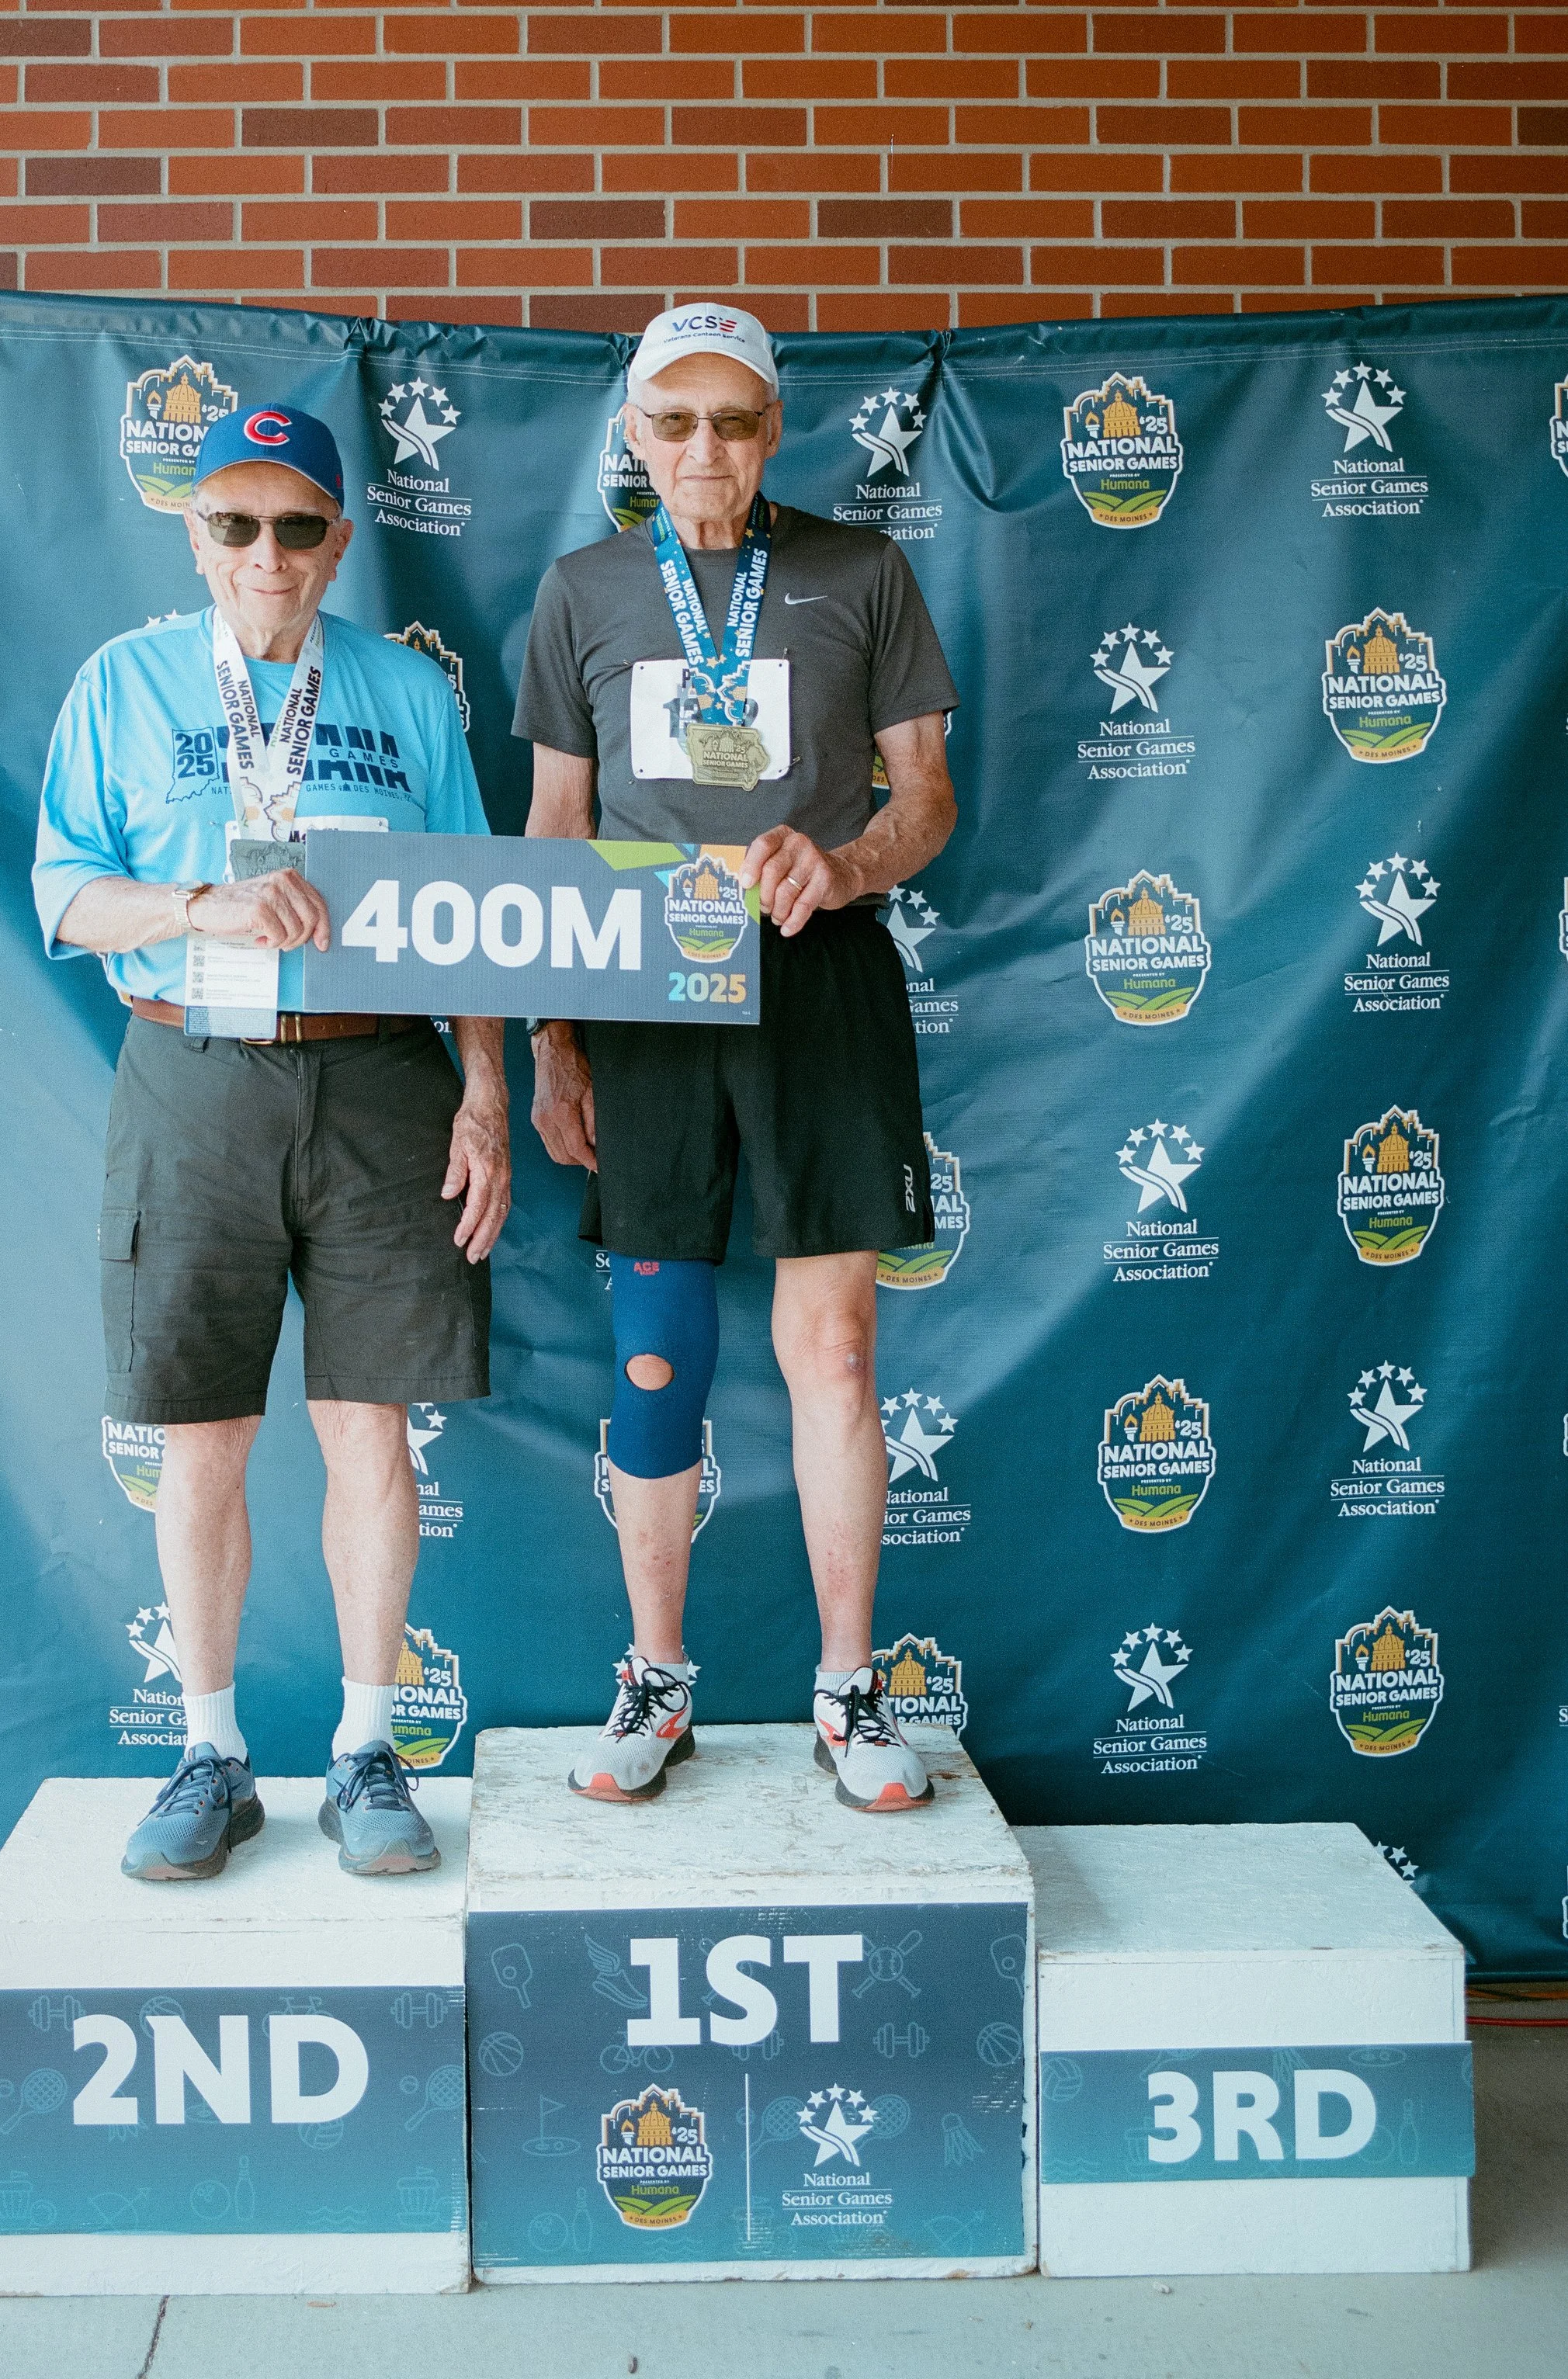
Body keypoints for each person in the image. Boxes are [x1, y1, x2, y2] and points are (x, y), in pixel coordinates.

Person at [33, 401, 511, 1881]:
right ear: (194, 535)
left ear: (339, 542)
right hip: (194, 1072)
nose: (266, 552)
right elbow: (65, 894)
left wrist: (486, 1094)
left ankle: (371, 1747)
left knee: (369, 1424)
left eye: (297, 524)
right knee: (204, 1437)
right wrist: (198, 906)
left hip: (380, 1081)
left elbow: (477, 914)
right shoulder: (121, 686)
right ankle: (211, 1753)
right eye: (233, 523)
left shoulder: (407, 694)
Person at [515, 304, 959, 1812]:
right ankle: (655, 1675)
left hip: (818, 975)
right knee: (655, 1353)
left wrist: (840, 864)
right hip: (638, 988)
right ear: (633, 435)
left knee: (832, 1348)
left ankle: (848, 1683)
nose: (703, 449)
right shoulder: (580, 589)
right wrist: (552, 1038)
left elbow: (928, 799)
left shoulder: (859, 569)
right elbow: (555, 827)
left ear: (774, 429)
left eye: (733, 421)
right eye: (673, 422)